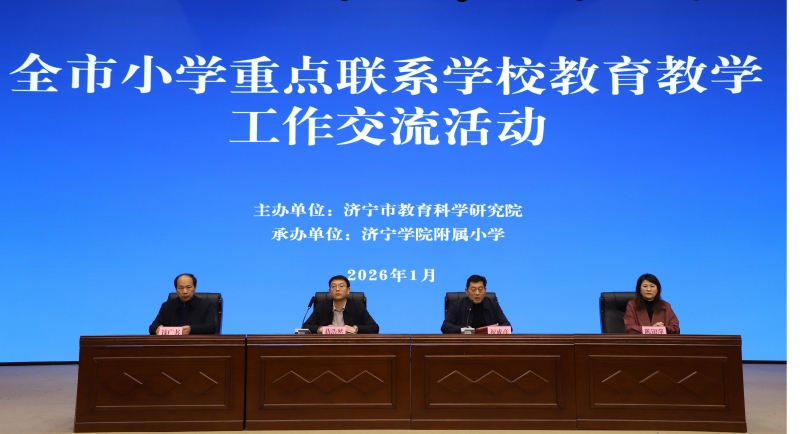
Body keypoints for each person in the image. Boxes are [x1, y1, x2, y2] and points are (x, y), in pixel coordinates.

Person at [302, 275, 379, 334]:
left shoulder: (358, 307)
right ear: (329, 291)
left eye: (341, 286)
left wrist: (354, 329)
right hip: (327, 345)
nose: (337, 289)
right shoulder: (321, 307)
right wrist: (321, 329)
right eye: (334, 286)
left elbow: (374, 327)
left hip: (351, 345)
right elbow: (306, 326)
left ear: (348, 290)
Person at [149, 273, 218, 335]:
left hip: (196, 343)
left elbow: (212, 327)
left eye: (188, 287)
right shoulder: (167, 306)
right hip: (172, 343)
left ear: (195, 288)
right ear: (176, 289)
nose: (185, 291)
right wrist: (157, 328)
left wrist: (191, 329)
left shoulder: (205, 305)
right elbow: (152, 327)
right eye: (181, 288)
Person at [441, 274, 511, 334]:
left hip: (489, 344)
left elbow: (507, 326)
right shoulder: (457, 306)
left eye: (480, 289)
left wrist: (492, 330)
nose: (477, 293)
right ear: (466, 291)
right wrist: (463, 330)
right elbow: (445, 327)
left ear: (485, 290)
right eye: (473, 289)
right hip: (465, 343)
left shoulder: (493, 305)